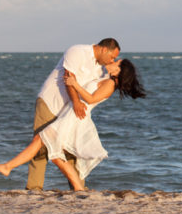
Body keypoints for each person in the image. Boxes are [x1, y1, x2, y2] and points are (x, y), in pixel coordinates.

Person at [0, 59, 146, 190]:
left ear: (120, 70)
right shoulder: (106, 79)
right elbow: (96, 64)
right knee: (53, 152)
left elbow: (91, 99)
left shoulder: (110, 85)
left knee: (44, 144)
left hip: (75, 118)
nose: (113, 61)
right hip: (70, 115)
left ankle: (8, 167)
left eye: (117, 62)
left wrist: (75, 84)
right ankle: (78, 188)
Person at [27, 38, 121, 190]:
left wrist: (113, 66)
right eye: (112, 56)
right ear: (104, 49)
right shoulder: (77, 51)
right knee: (40, 147)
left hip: (70, 112)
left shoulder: (101, 69)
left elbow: (99, 90)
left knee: (72, 149)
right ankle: (33, 188)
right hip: (51, 102)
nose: (113, 60)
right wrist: (76, 102)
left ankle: (78, 189)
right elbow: (68, 78)